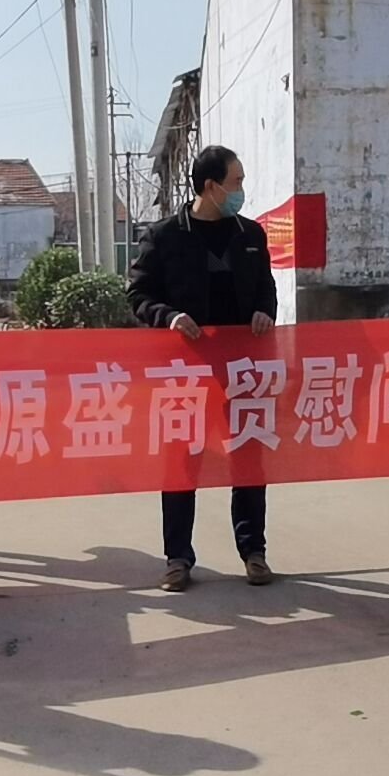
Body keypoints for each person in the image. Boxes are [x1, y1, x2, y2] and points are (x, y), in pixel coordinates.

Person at [127, 145, 278, 592]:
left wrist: (265, 311)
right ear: (210, 187)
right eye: (236, 182)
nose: (242, 190)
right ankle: (178, 557)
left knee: (248, 458)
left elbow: (266, 289)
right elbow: (138, 295)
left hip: (243, 368)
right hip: (186, 370)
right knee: (182, 460)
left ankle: (253, 551)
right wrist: (169, 316)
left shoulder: (251, 235)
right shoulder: (164, 237)